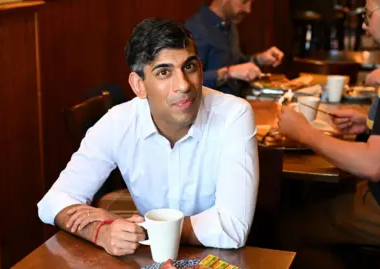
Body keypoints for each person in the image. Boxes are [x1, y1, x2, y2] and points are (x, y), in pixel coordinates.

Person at [37, 18, 259, 256]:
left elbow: (233, 227)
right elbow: (53, 202)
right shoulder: (119, 122)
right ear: (138, 85)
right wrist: (100, 230)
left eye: (189, 67)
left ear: (201, 70)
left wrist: (143, 230)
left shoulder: (233, 114)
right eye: (164, 72)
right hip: (150, 259)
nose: (183, 85)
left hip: (218, 258)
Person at [277, 0, 380, 268]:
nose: (365, 24)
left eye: (368, 14)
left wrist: (304, 132)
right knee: (316, 197)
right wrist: (370, 124)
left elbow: (373, 164)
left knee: (285, 229)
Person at [185, 0, 284, 96]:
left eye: (251, 3)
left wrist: (259, 59)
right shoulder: (194, 29)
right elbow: (188, 79)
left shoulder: (231, 26)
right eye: (244, 1)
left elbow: (236, 64)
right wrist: (228, 73)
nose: (248, 9)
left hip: (236, 103)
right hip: (211, 109)